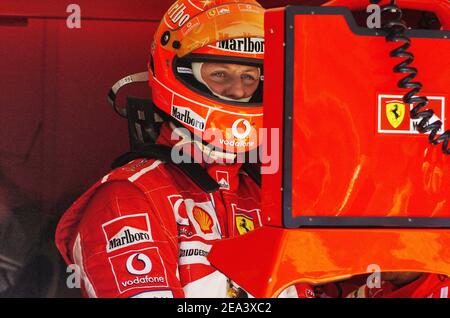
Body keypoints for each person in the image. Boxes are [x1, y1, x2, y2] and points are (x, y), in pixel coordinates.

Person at [55, 0, 314, 298]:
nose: (238, 91)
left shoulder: (265, 195)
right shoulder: (129, 198)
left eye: (249, 77)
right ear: (181, 73)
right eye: (220, 74)